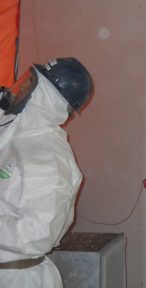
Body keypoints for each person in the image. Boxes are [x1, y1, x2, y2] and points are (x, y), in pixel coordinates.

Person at [0, 58, 92, 287]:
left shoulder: (47, 156)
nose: (19, 89)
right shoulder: (17, 136)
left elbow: (37, 233)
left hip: (17, 278)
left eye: (29, 84)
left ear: (47, 99)